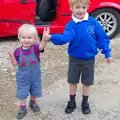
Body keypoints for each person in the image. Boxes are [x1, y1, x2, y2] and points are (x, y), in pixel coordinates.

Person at [42, 0, 111, 115]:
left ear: (88, 7)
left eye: (83, 7)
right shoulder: (71, 25)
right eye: (77, 7)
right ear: (71, 8)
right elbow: (65, 38)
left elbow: (102, 38)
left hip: (89, 58)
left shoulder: (93, 22)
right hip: (74, 58)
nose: (80, 10)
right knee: (72, 80)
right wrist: (51, 37)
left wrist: (107, 52)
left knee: (86, 82)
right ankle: (72, 102)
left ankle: (85, 103)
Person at [8, 24, 48, 119]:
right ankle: (22, 108)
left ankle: (32, 103)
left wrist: (45, 39)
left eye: (29, 38)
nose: (26, 40)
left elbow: (42, 47)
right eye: (23, 37)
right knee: (22, 93)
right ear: (19, 38)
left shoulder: (35, 48)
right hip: (22, 77)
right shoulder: (17, 51)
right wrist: (11, 57)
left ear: (34, 39)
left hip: (35, 76)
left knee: (34, 91)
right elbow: (14, 64)